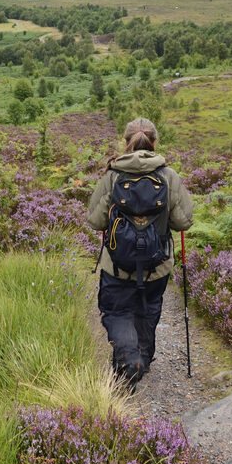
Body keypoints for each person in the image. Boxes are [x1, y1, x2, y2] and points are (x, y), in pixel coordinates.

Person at [87, 117, 193, 389]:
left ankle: (127, 357)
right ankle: (141, 360)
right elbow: (183, 222)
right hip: (156, 267)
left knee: (118, 311)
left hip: (117, 267)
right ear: (155, 143)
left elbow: (96, 221)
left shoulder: (113, 176)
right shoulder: (168, 176)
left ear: (126, 143)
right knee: (147, 313)